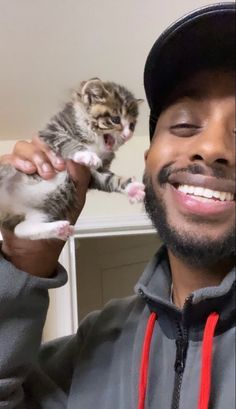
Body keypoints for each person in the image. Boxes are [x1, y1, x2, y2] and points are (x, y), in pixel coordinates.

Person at [0, 3, 235, 409]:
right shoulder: (92, 345)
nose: (212, 147)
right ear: (148, 160)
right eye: (183, 124)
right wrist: (21, 266)